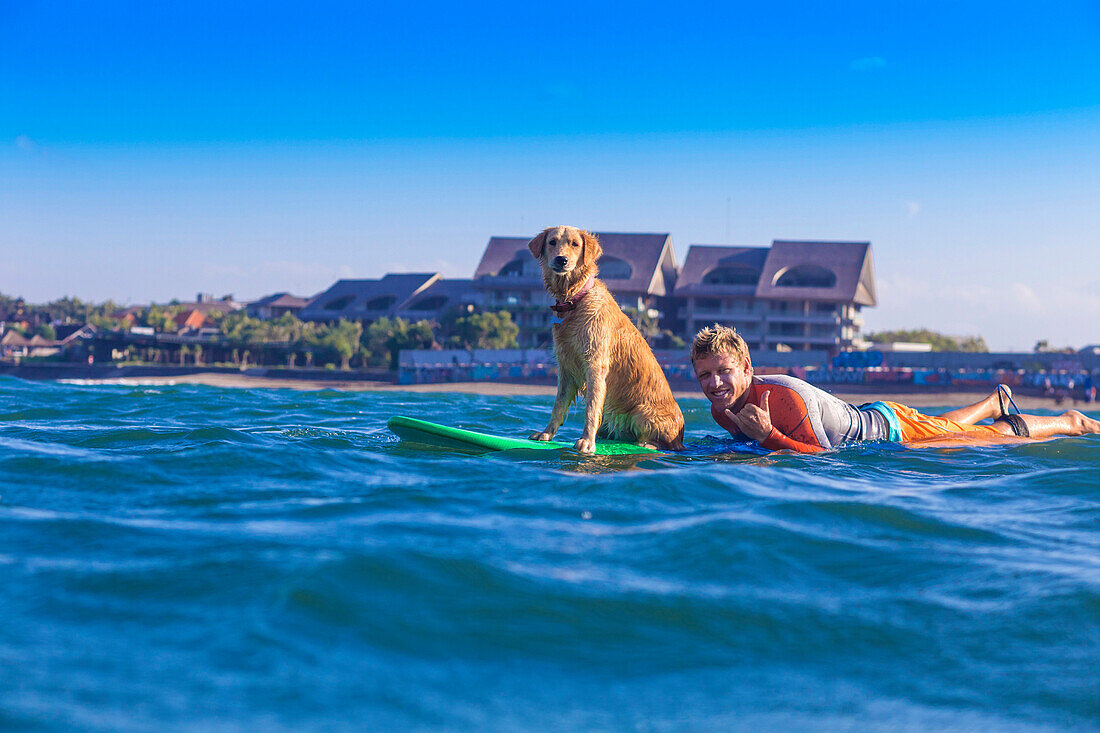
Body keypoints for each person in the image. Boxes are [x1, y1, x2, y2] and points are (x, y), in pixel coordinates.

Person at [691, 325, 1100, 454]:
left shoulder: (780, 398)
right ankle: (993, 399)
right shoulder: (720, 408)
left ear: (746, 367)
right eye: (705, 376)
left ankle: (1071, 421)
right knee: (938, 424)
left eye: (723, 372)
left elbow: (824, 459)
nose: (714, 384)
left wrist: (770, 437)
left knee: (992, 439)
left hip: (888, 432)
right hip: (875, 416)